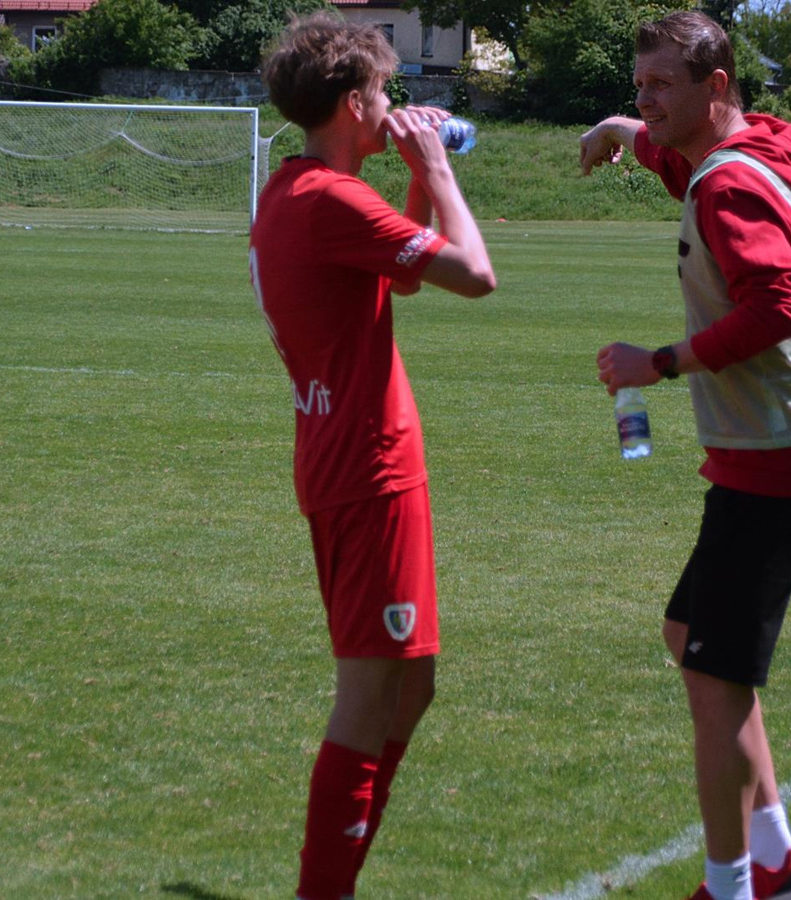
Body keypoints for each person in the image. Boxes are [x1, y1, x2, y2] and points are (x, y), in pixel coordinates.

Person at [580, 11, 791, 900]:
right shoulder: (758, 145)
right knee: (690, 638)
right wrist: (622, 129)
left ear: (715, 87)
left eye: (661, 85)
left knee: (713, 680)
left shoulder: (731, 185)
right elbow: (688, 162)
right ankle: (778, 860)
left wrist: (659, 363)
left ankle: (731, 883)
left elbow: (775, 302)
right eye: (638, 85)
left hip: (779, 459)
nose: (645, 99)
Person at [250, 12, 496, 900]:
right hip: (367, 471)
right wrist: (439, 168)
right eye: (385, 91)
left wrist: (417, 180)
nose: (394, 105)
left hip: (354, 463)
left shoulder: (298, 190)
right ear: (355, 103)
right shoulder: (329, 200)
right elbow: (475, 274)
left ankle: (338, 873)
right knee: (367, 699)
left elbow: (398, 274)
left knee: (411, 686)